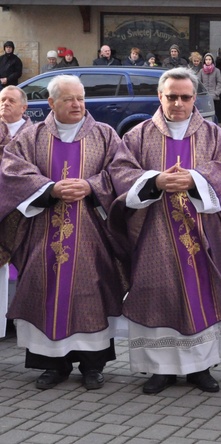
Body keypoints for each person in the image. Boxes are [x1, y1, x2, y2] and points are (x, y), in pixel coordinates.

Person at [110, 67, 221, 394]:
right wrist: (154, 180)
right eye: (172, 97)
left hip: (203, 235)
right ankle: (159, 369)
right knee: (157, 295)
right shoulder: (138, 135)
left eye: (185, 97)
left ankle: (201, 368)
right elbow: (121, 170)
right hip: (153, 234)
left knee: (202, 295)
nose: (179, 103)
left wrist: (195, 179)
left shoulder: (214, 135)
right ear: (160, 96)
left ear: (194, 98)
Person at [0, 75, 135, 390]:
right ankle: (52, 365)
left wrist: (91, 185)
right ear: (51, 103)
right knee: (44, 290)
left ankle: (93, 366)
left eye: (81, 98)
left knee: (91, 292)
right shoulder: (30, 138)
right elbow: (11, 171)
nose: (77, 105)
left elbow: (121, 172)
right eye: (69, 99)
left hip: (91, 233)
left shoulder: (105, 135)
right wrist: (50, 188)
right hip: (42, 231)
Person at [0, 85, 32, 337]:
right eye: (1, 100)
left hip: (24, 209)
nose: (4, 104)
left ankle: (16, 316)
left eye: (10, 100)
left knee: (24, 261)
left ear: (24, 107)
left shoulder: (33, 134)